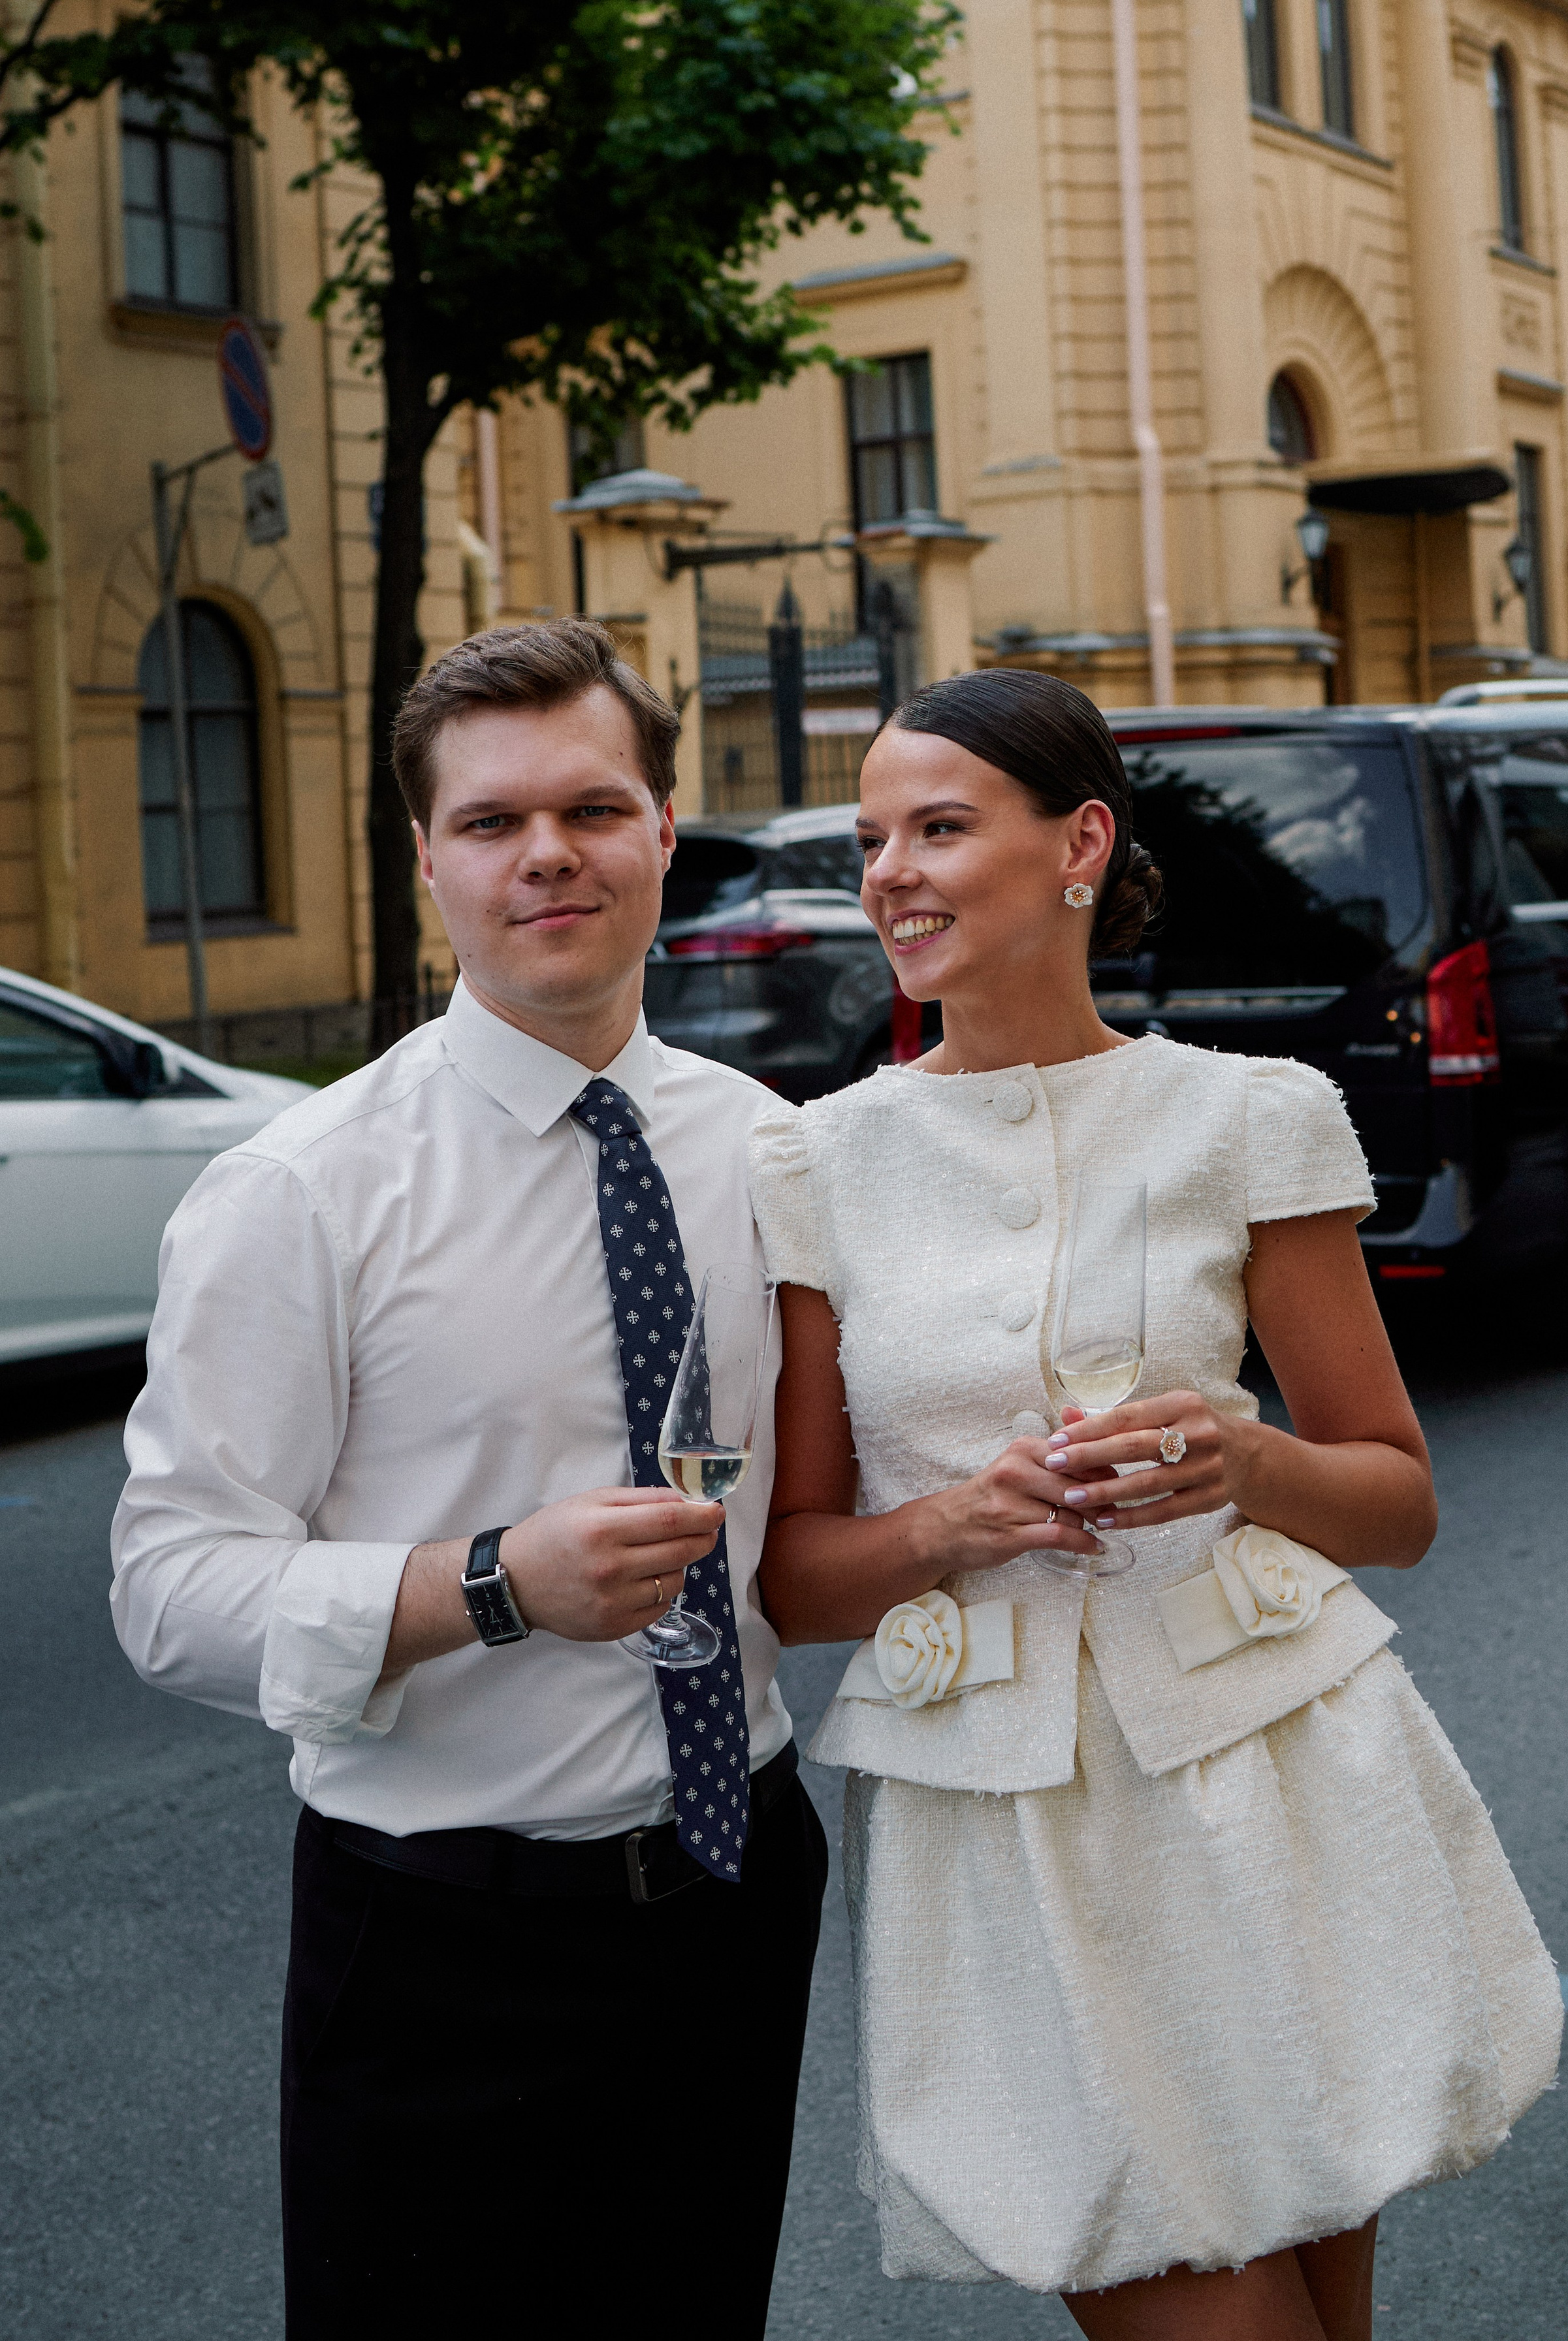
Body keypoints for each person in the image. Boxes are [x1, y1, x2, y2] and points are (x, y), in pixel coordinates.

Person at [747, 667, 1562, 2341]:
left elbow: (1393, 1496)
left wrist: (1245, 1462)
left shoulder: (1247, 1116)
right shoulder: (812, 1163)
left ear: (1079, 845)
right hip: (1011, 1831)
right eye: (869, 837)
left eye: (938, 826)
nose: (888, 869)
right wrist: (954, 1523)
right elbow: (796, 1577)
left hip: (1278, 1787)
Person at [111, 619, 827, 2338]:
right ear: (424, 856)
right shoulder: (301, 1190)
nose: (548, 855)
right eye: (493, 821)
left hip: (735, 1900)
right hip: (440, 1945)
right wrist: (494, 1581)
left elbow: (820, 1513)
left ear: (666, 826)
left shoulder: (773, 1142)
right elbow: (167, 1587)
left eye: (593, 806)